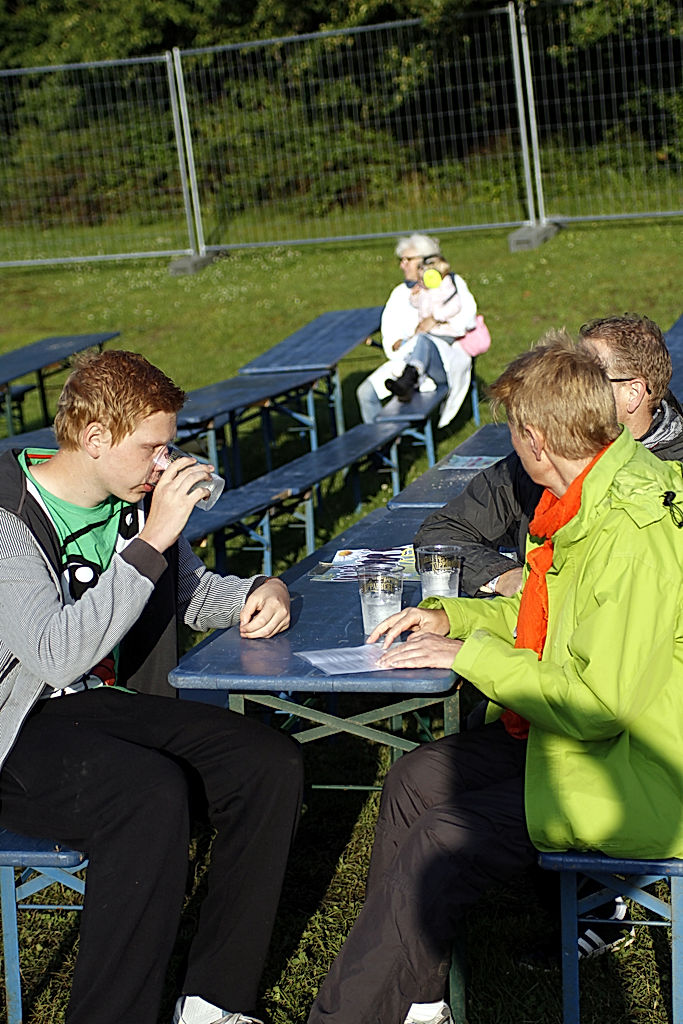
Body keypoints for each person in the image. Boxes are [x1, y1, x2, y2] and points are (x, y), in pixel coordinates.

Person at [307, 332, 683, 1024]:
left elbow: (600, 707)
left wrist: (466, 658)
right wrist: (449, 618)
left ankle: (344, 1016)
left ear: (537, 440)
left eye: (512, 434)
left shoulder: (628, 531)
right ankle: (418, 1003)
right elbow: (553, 617)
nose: (511, 448)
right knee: (413, 782)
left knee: (442, 834)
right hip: (586, 748)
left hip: (639, 775)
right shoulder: (585, 498)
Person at [0, 349, 304, 1024]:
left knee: (269, 762)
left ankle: (215, 1002)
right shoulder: (7, 515)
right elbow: (52, 656)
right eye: (153, 447)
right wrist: (157, 534)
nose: (164, 463)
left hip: (101, 708)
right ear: (97, 438)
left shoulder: (129, 501)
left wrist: (262, 588)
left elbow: (186, 593)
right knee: (150, 796)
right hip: (17, 728)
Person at [415, 313, 683, 598]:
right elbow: (440, 534)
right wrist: (503, 577)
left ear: (634, 393)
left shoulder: (667, 481)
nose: (570, 384)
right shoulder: (547, 456)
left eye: (590, 374)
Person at [356, 235, 477, 428]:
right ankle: (381, 445)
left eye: (408, 260)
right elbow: (391, 336)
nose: (402, 265)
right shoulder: (400, 294)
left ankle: (409, 382)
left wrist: (434, 321)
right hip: (404, 358)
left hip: (443, 357)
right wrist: (399, 343)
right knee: (365, 393)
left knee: (425, 343)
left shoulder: (451, 282)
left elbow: (467, 319)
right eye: (401, 260)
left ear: (426, 260)